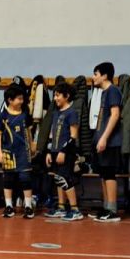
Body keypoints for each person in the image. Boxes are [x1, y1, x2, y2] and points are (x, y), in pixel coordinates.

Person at [0, 84, 35, 219]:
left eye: (22, 99)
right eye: (19, 99)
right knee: (8, 179)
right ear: (10, 100)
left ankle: (28, 206)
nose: (21, 101)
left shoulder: (25, 113)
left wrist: (32, 145)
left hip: (24, 152)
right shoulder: (3, 116)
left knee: (25, 178)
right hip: (8, 152)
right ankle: (9, 206)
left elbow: (29, 132)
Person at [45, 81, 83, 221]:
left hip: (66, 152)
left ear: (66, 96)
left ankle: (75, 210)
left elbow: (73, 136)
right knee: (58, 179)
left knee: (65, 179)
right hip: (55, 151)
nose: (55, 98)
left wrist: (63, 151)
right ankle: (61, 207)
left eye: (58, 95)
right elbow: (52, 133)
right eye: (54, 95)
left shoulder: (71, 113)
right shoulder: (56, 112)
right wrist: (49, 151)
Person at [92, 61, 123, 222]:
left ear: (104, 76)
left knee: (109, 173)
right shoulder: (104, 93)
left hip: (111, 142)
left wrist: (104, 137)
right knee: (103, 174)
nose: (93, 77)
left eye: (95, 74)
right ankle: (106, 207)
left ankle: (112, 210)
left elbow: (115, 115)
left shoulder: (113, 91)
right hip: (101, 141)